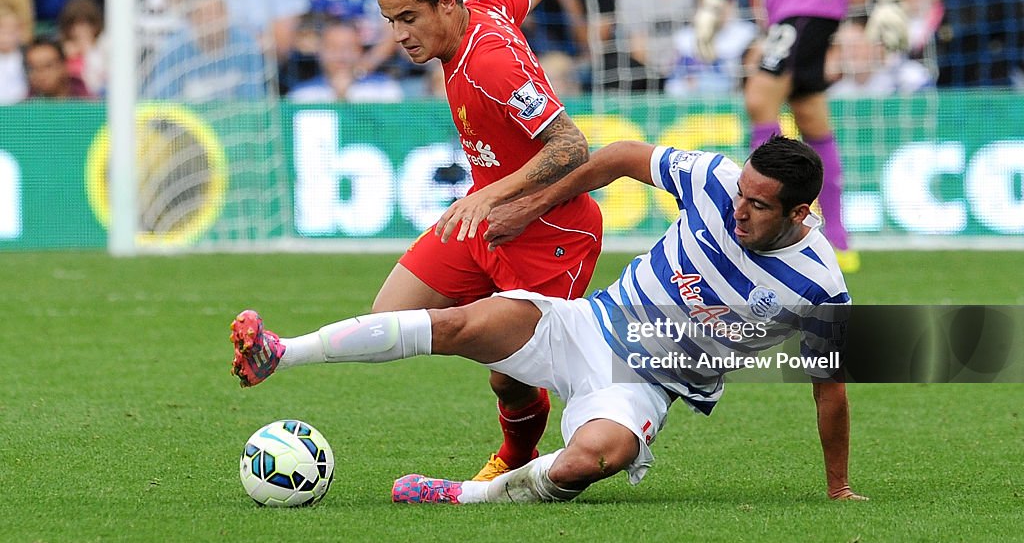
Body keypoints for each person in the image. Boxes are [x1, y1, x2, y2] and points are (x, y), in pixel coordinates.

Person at [230, 136, 863, 504]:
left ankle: (463, 494)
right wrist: (535, 202)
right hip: (585, 325)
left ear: (801, 212)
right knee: (458, 323)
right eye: (741, 193)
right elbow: (617, 156)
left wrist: (837, 487)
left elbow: (829, 390)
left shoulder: (819, 284)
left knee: (591, 461)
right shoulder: (714, 180)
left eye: (757, 206)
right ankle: (281, 352)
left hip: (644, 385)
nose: (738, 210)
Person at [314, 0, 605, 482]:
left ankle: (521, 450)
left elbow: (572, 147)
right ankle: (494, 339)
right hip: (484, 223)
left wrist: (490, 193)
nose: (398, 35)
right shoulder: (488, 6)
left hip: (551, 234)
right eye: (390, 20)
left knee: (507, 378)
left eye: (408, 17)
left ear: (447, 2)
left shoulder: (491, 66)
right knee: (388, 323)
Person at [694, 0, 910, 274]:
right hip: (781, 8)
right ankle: (840, 242)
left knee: (760, 97)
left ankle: (766, 224)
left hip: (817, 1)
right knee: (810, 115)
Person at [24, 37, 89, 99]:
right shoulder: (24, 108)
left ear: (64, 66)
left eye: (48, 66)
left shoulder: (89, 106)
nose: (40, 74)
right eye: (33, 68)